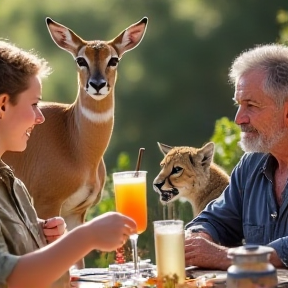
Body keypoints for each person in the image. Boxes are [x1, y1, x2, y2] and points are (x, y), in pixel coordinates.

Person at [0, 40, 137, 288]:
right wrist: (89, 236)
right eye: (34, 105)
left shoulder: (11, 182)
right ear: (2, 105)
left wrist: (37, 228)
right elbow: (11, 277)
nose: (41, 116)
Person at [185, 43, 288, 270]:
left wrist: (224, 257)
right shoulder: (252, 164)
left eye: (251, 105)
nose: (239, 118)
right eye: (239, 105)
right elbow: (215, 220)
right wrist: (197, 238)